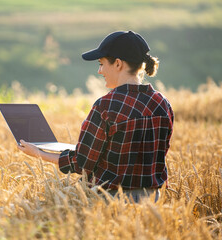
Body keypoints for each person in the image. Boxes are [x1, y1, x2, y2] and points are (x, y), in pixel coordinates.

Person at [18, 30, 174, 203]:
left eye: (101, 63)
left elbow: (81, 164)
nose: (99, 71)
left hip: (109, 202)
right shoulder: (162, 103)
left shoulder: (106, 106)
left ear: (118, 64)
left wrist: (38, 153)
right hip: (152, 201)